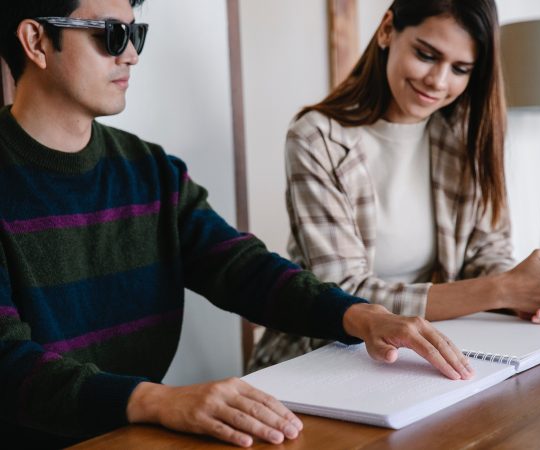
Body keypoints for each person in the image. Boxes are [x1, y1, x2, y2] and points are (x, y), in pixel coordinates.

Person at [0, 0, 479, 448]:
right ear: (36, 41)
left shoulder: (150, 171)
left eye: (135, 34)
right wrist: (157, 399)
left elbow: (243, 269)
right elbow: (8, 363)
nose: (130, 55)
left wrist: (358, 315)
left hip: (133, 433)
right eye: (111, 34)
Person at [248, 0, 540, 372]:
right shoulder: (316, 138)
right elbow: (342, 294)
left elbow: (486, 256)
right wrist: (504, 289)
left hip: (426, 354)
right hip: (320, 358)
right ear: (386, 31)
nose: (438, 82)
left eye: (460, 69)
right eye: (426, 55)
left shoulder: (465, 135)